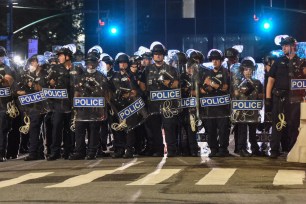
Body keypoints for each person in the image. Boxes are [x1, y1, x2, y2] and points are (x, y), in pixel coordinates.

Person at [266, 36, 306, 159]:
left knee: (293, 124)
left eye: (286, 45)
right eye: (282, 46)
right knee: (277, 124)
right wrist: (268, 98)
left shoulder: (302, 62)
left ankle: (291, 149)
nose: (283, 48)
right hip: (279, 97)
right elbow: (271, 80)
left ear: (293, 46)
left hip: (296, 98)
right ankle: (274, 150)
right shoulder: (278, 62)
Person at [139, 42, 180, 157]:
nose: (158, 56)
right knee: (155, 129)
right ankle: (159, 150)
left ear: (163, 55)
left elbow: (177, 84)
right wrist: (146, 91)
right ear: (153, 56)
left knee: (169, 127)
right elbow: (141, 84)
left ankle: (172, 150)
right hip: (153, 105)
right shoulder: (147, 70)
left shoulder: (171, 69)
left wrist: (168, 83)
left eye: (160, 54)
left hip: (168, 104)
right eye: (156, 54)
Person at [16, 55, 48, 161]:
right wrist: (24, 91)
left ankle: (38, 152)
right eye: (31, 62)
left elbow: (43, 89)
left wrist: (34, 86)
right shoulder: (27, 75)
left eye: (34, 62)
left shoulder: (45, 74)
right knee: (34, 128)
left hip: (44, 106)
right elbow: (19, 90)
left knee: (41, 129)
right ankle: (36, 152)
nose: (31, 64)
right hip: (32, 106)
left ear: (39, 63)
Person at [232, 57, 264, 157]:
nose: (248, 72)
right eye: (246, 69)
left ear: (253, 70)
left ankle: (255, 148)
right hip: (242, 112)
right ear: (242, 70)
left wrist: (260, 98)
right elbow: (235, 95)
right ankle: (242, 148)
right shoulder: (238, 83)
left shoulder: (257, 82)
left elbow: (261, 96)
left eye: (250, 69)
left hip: (253, 111)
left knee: (253, 131)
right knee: (242, 131)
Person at [203, 49, 231, 157]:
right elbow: (204, 87)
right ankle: (213, 149)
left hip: (223, 107)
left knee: (223, 129)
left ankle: (223, 149)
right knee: (211, 129)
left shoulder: (225, 72)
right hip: (210, 106)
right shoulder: (208, 72)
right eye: (213, 60)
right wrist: (209, 87)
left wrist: (213, 85)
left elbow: (225, 87)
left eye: (217, 60)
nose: (215, 62)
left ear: (221, 60)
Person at [0, 46, 14, 162]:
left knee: (1, 130)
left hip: (4, 105)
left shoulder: (7, 69)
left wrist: (2, 79)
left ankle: (1, 153)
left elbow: (7, 82)